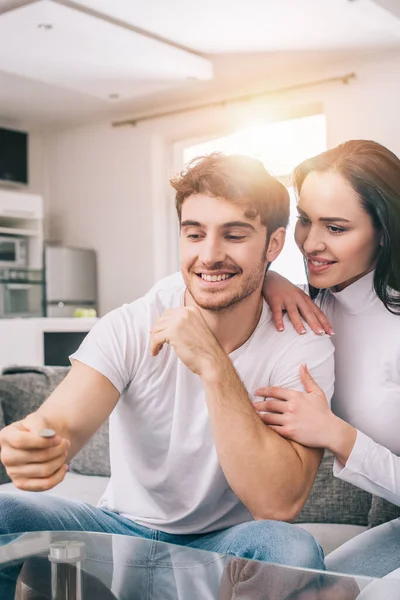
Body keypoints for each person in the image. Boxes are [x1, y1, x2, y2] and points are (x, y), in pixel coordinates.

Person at [0, 154, 335, 578]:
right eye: (194, 234)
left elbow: (278, 504)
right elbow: (60, 423)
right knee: (4, 512)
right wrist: (34, 444)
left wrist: (213, 363)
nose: (209, 255)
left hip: (225, 543)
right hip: (118, 530)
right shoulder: (133, 322)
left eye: (234, 235)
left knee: (292, 549)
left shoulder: (303, 341)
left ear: (273, 244)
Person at [254, 139, 400, 581]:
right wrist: (269, 277)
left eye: (335, 228)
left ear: (384, 230)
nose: (310, 243)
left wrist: (337, 435)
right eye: (304, 220)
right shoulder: (314, 306)